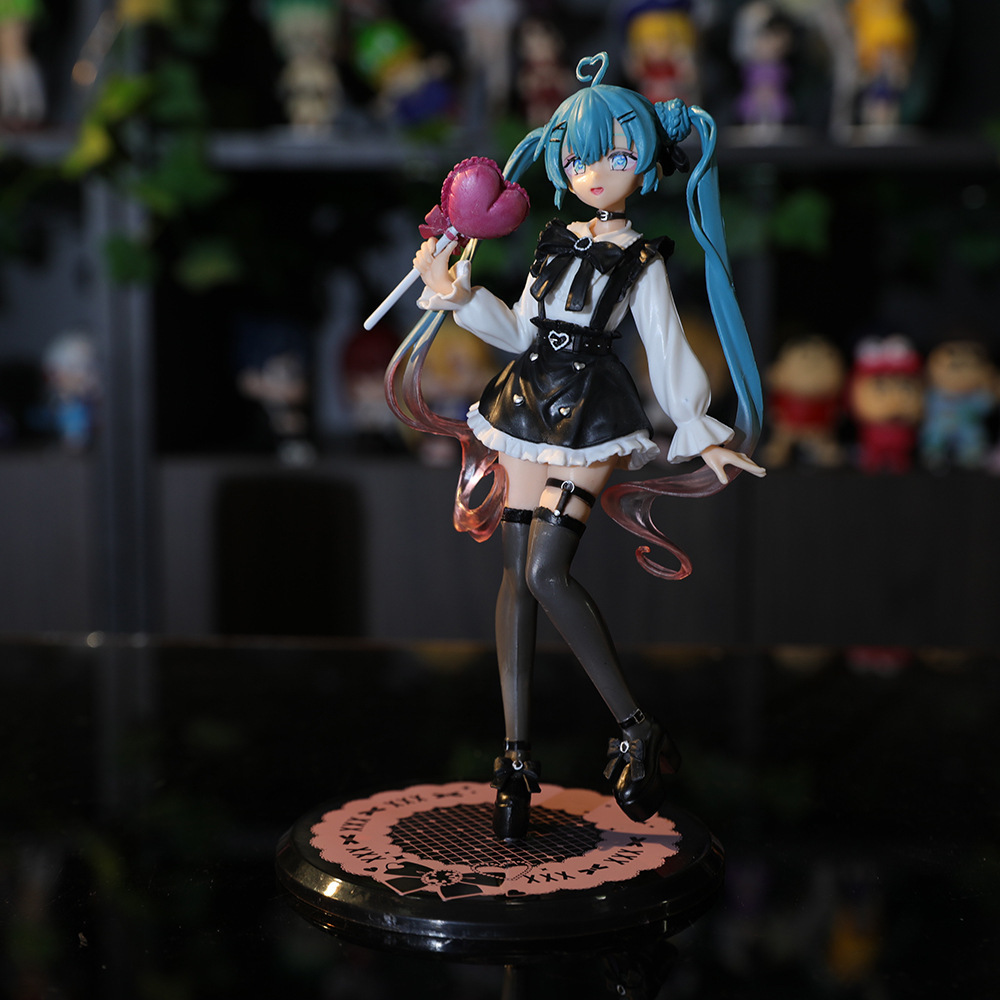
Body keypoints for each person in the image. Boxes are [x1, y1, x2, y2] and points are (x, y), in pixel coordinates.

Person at [390, 51, 765, 842]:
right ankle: (514, 758)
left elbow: (665, 347)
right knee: (515, 578)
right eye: (579, 157)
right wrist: (457, 294)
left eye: (616, 156)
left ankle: (635, 727)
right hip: (525, 401)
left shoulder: (642, 260)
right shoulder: (554, 240)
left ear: (648, 164)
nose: (595, 173)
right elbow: (518, 331)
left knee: (545, 570)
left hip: (593, 411)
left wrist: (701, 429)